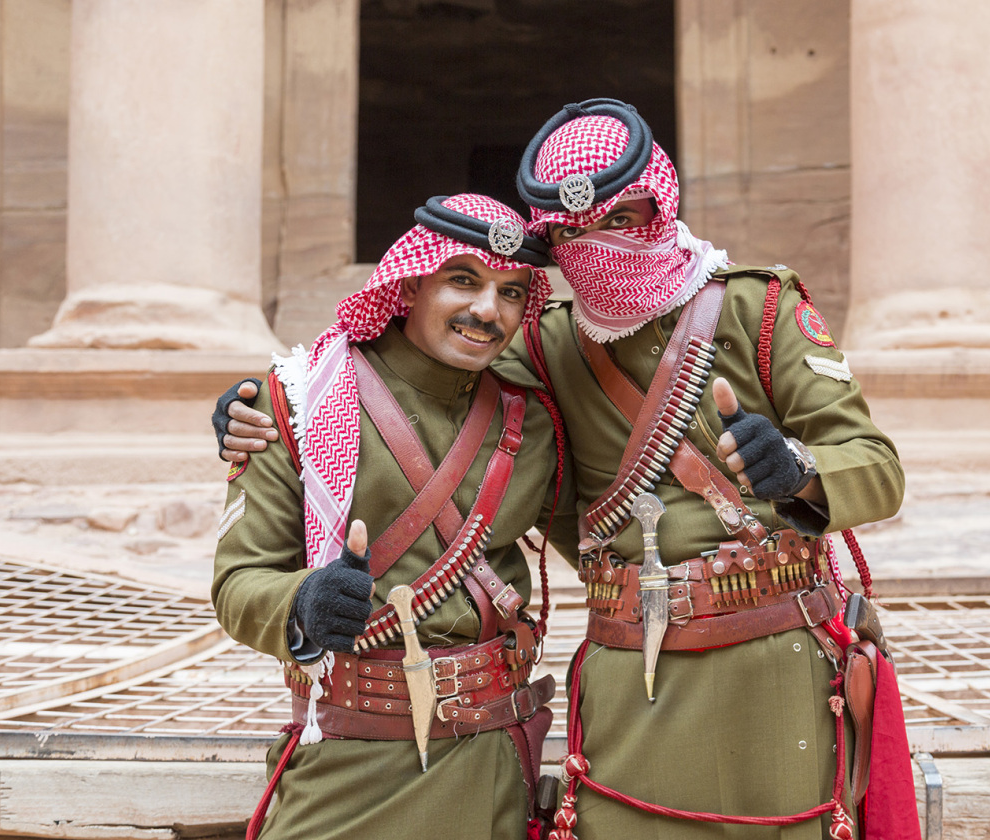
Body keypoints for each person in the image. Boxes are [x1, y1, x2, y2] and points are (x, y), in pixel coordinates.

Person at [219, 100, 918, 839]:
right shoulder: (543, 340)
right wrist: (257, 410)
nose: (602, 246)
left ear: (662, 204)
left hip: (774, 666)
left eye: (622, 219)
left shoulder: (756, 306)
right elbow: (388, 374)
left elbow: (876, 468)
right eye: (575, 234)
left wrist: (800, 469)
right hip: (630, 684)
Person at [212, 193, 575, 840]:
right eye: (462, 281)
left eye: (512, 292)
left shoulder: (538, 423)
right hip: (348, 765)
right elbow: (239, 585)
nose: (487, 310)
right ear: (408, 286)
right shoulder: (298, 400)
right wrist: (305, 603)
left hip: (490, 759)